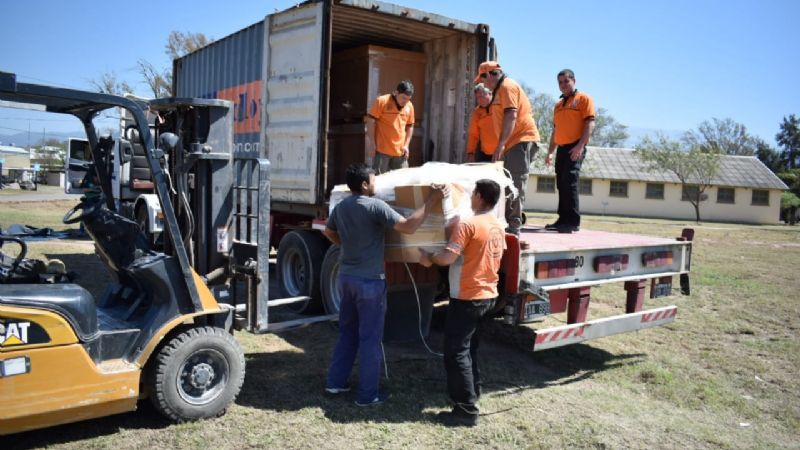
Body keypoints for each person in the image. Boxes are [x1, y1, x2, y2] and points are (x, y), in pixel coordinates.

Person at [324, 163, 445, 406]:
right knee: (370, 339)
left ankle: (335, 383)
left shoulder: (342, 207)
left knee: (347, 332)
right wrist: (433, 199)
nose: (376, 183)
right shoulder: (375, 206)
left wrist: (347, 245)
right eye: (373, 179)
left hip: (346, 278)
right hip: (369, 283)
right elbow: (410, 226)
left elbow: (328, 232)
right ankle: (367, 396)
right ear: (365, 184)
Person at [418, 179, 506, 427]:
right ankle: (473, 393)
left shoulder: (468, 224)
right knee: (469, 349)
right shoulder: (496, 225)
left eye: (472, 193)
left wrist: (429, 259)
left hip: (467, 297)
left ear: (478, 196)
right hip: (488, 295)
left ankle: (465, 411)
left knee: (455, 353)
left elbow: (447, 258)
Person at [476, 61, 540, 234]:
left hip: (520, 141)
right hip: (512, 143)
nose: (483, 84)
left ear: (488, 75)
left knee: (515, 185)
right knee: (506, 184)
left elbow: (511, 115)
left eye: (483, 80)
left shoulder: (507, 87)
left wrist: (501, 144)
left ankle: (514, 228)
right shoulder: (498, 90)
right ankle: (507, 224)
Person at [544, 69, 596, 233]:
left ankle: (573, 221)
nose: (563, 85)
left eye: (566, 81)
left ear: (574, 80)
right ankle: (563, 219)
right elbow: (555, 130)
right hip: (562, 148)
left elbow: (589, 124)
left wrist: (580, 146)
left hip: (576, 146)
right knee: (561, 183)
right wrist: (550, 152)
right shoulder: (558, 105)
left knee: (570, 181)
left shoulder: (584, 99)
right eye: (560, 82)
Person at [366, 80, 416, 174]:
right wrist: (372, 143)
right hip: (382, 151)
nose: (405, 102)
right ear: (396, 92)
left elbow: (410, 126)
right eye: (403, 98)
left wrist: (406, 145)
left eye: (408, 99)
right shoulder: (382, 101)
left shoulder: (410, 106)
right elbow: (370, 121)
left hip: (400, 152)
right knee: (378, 181)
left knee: (403, 182)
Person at [466, 83, 497, 163]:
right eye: (477, 97)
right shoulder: (477, 112)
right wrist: (470, 152)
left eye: (482, 96)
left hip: (502, 153)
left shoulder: (500, 107)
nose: (479, 99)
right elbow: (473, 134)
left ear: (490, 94)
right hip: (485, 153)